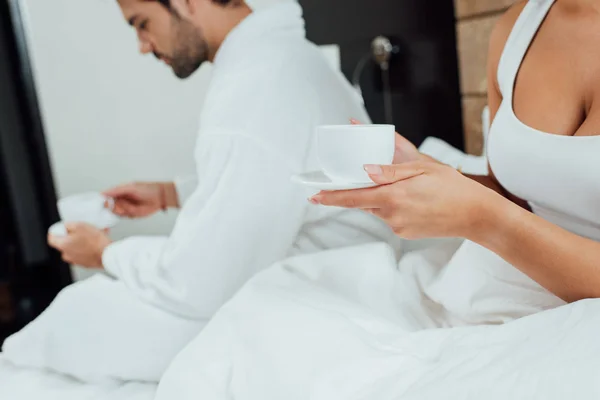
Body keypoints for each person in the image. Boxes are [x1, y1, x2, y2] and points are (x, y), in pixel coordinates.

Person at [151, 0, 600, 397]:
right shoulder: (517, 29)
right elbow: (518, 194)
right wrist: (432, 177)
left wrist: (482, 218)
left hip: (576, 319)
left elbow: (499, 214)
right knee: (267, 316)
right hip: (490, 285)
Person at [1, 0, 400, 383]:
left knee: (78, 313)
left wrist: (105, 253)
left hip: (327, 296)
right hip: (347, 270)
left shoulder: (253, 87)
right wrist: (169, 194)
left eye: (142, 24)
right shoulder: (285, 57)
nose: (142, 46)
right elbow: (277, 176)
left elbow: (198, 281)